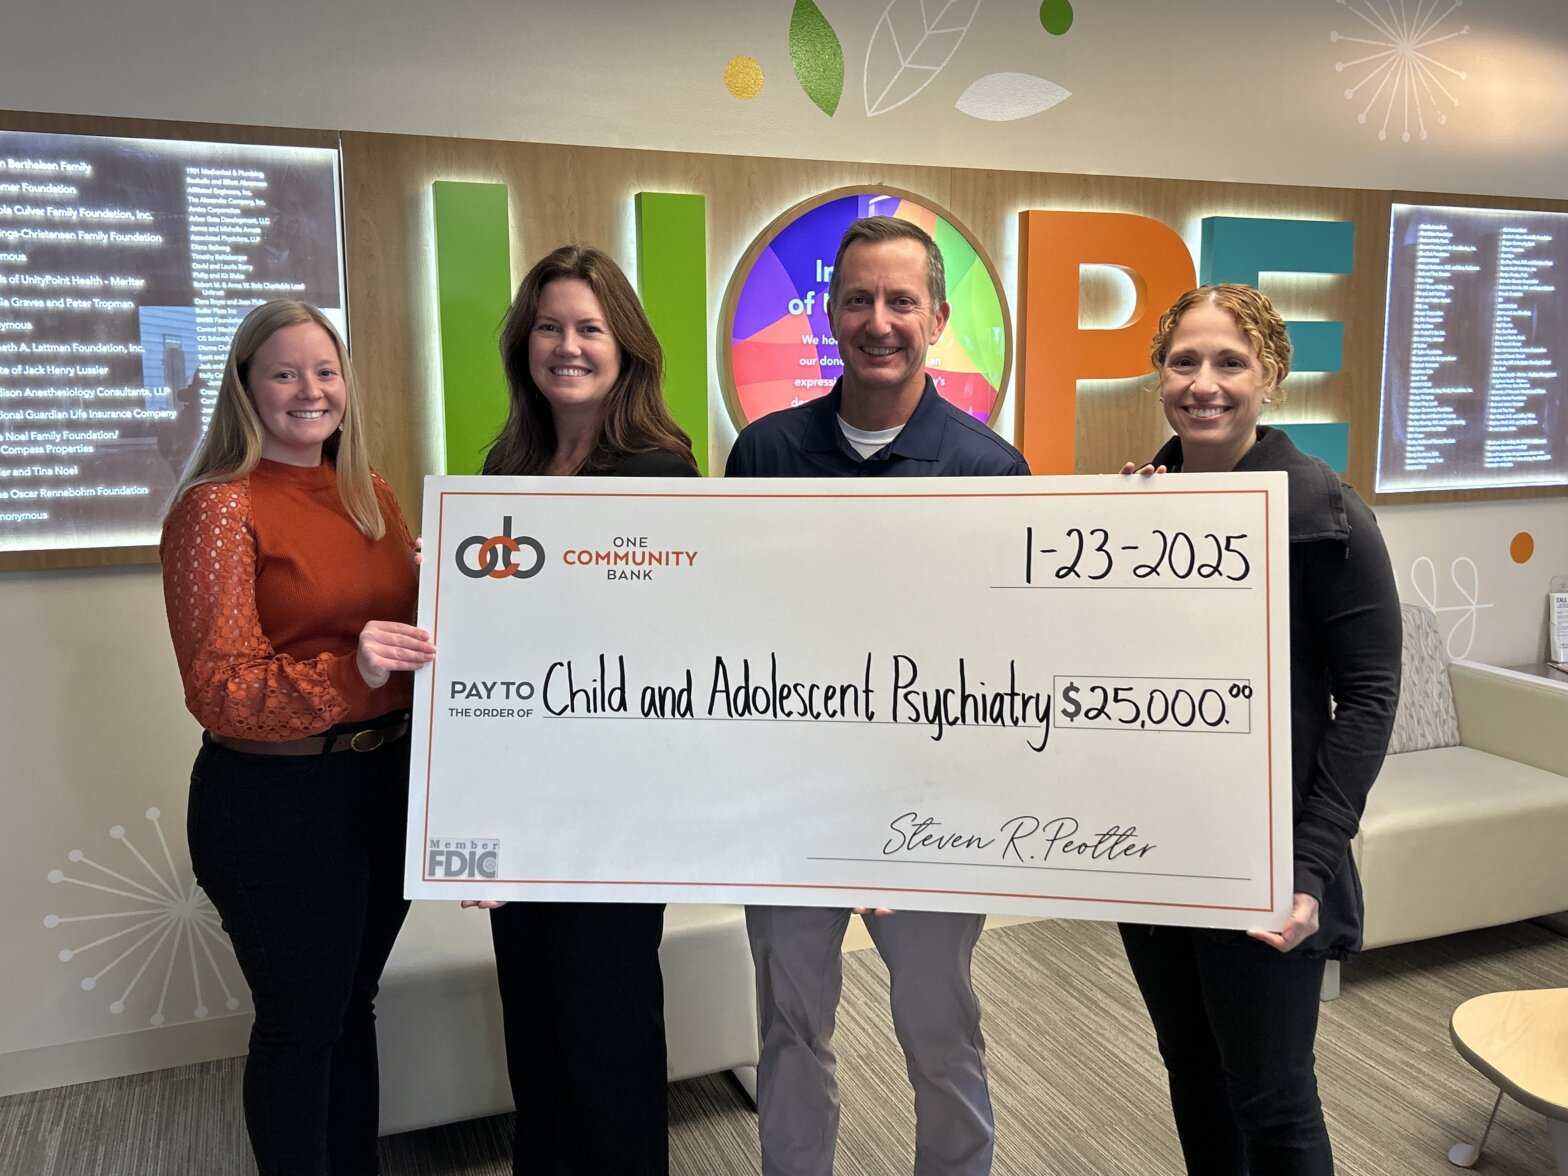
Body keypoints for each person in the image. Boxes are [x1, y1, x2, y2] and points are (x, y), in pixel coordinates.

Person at [726, 216, 1028, 1176]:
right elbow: (730, 637)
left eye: (902, 301)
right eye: (857, 298)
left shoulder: (991, 471)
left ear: (938, 318)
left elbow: (1009, 665)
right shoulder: (764, 454)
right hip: (792, 807)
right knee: (789, 1027)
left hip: (934, 816)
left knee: (941, 1033)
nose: (879, 320)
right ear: (829, 313)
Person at [1118, 284, 1401, 1175]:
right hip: (1155, 860)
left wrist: (1311, 866)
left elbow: (1368, 698)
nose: (1204, 383)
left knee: (1274, 1100)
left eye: (1230, 362)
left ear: (1271, 376)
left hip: (1264, 866)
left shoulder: (1328, 516)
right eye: (1184, 361)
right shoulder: (1133, 514)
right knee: (1194, 1074)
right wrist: (1116, 551)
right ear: (1160, 375)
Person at [160, 301, 436, 1175]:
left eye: (326, 370)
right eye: (284, 372)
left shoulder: (373, 494)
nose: (310, 391)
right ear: (245, 388)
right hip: (277, 805)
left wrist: (448, 586)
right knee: (301, 1025)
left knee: (351, 1009)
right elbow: (222, 690)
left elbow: (403, 645)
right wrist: (347, 672)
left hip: (380, 787)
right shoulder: (217, 508)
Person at [465, 243, 699, 1176]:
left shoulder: (659, 474)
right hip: (517, 805)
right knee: (535, 1031)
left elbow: (665, 657)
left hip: (611, 812)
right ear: (526, 344)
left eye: (590, 329)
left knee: (607, 1036)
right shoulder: (504, 465)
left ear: (626, 347)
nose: (568, 346)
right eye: (551, 327)